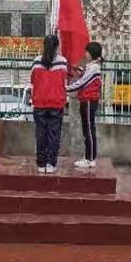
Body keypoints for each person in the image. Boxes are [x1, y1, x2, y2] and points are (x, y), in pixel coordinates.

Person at [31, 35, 67, 174]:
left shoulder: (36, 61)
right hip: (56, 103)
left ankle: (40, 164)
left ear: (43, 45)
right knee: (54, 134)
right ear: (57, 46)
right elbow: (64, 81)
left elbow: (33, 80)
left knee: (40, 134)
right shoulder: (62, 62)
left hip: (40, 102)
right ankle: (51, 163)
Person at [67, 42, 103, 169]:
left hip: (88, 100)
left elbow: (82, 83)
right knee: (88, 128)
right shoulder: (92, 67)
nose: (84, 54)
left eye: (86, 52)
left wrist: (66, 88)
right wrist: (79, 69)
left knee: (88, 129)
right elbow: (86, 76)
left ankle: (89, 159)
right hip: (88, 100)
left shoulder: (93, 68)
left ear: (91, 53)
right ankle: (90, 157)